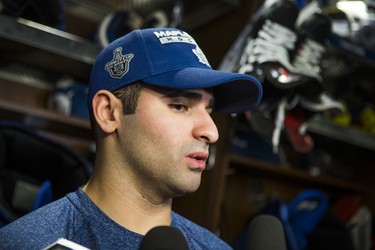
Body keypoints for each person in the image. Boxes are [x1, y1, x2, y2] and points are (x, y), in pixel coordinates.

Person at [0, 27, 262, 249]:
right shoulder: (25, 243)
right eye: (180, 105)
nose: (211, 131)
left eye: (209, 109)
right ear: (109, 113)